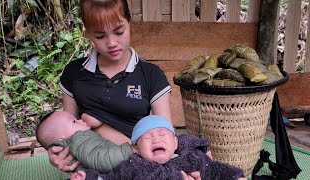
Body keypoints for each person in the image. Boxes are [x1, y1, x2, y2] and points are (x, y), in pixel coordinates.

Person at [49, 0, 174, 173]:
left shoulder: (151, 75)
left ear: (129, 23)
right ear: (87, 32)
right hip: (91, 164)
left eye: (119, 31)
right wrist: (58, 153)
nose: (111, 43)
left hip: (138, 164)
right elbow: (68, 130)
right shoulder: (74, 73)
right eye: (100, 36)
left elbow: (165, 133)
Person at [70, 115, 247, 180]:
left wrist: (235, 176)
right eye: (147, 137)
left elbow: (215, 170)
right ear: (137, 149)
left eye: (163, 135)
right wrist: (89, 177)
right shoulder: (132, 166)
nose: (155, 139)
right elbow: (110, 178)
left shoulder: (192, 158)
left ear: (176, 142)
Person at [36, 111, 135, 173]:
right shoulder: (79, 139)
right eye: (74, 121)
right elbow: (100, 160)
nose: (80, 120)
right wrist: (131, 150)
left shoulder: (77, 144)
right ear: (61, 139)